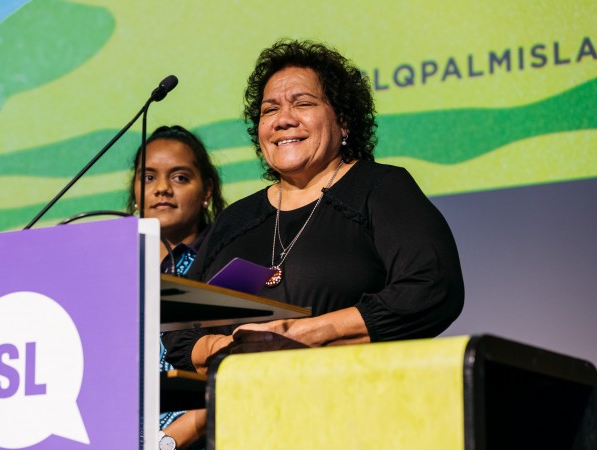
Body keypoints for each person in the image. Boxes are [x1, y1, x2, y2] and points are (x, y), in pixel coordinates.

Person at [162, 39, 464, 375]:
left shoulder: (379, 188)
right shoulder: (236, 219)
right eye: (269, 110)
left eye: (302, 103)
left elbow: (432, 287)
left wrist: (305, 335)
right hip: (244, 416)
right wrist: (230, 347)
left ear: (344, 121)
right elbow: (179, 328)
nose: (283, 120)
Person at [129, 125, 225, 449]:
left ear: (207, 190)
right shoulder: (112, 267)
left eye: (180, 177)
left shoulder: (225, 259)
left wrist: (168, 440)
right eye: (149, 177)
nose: (162, 189)